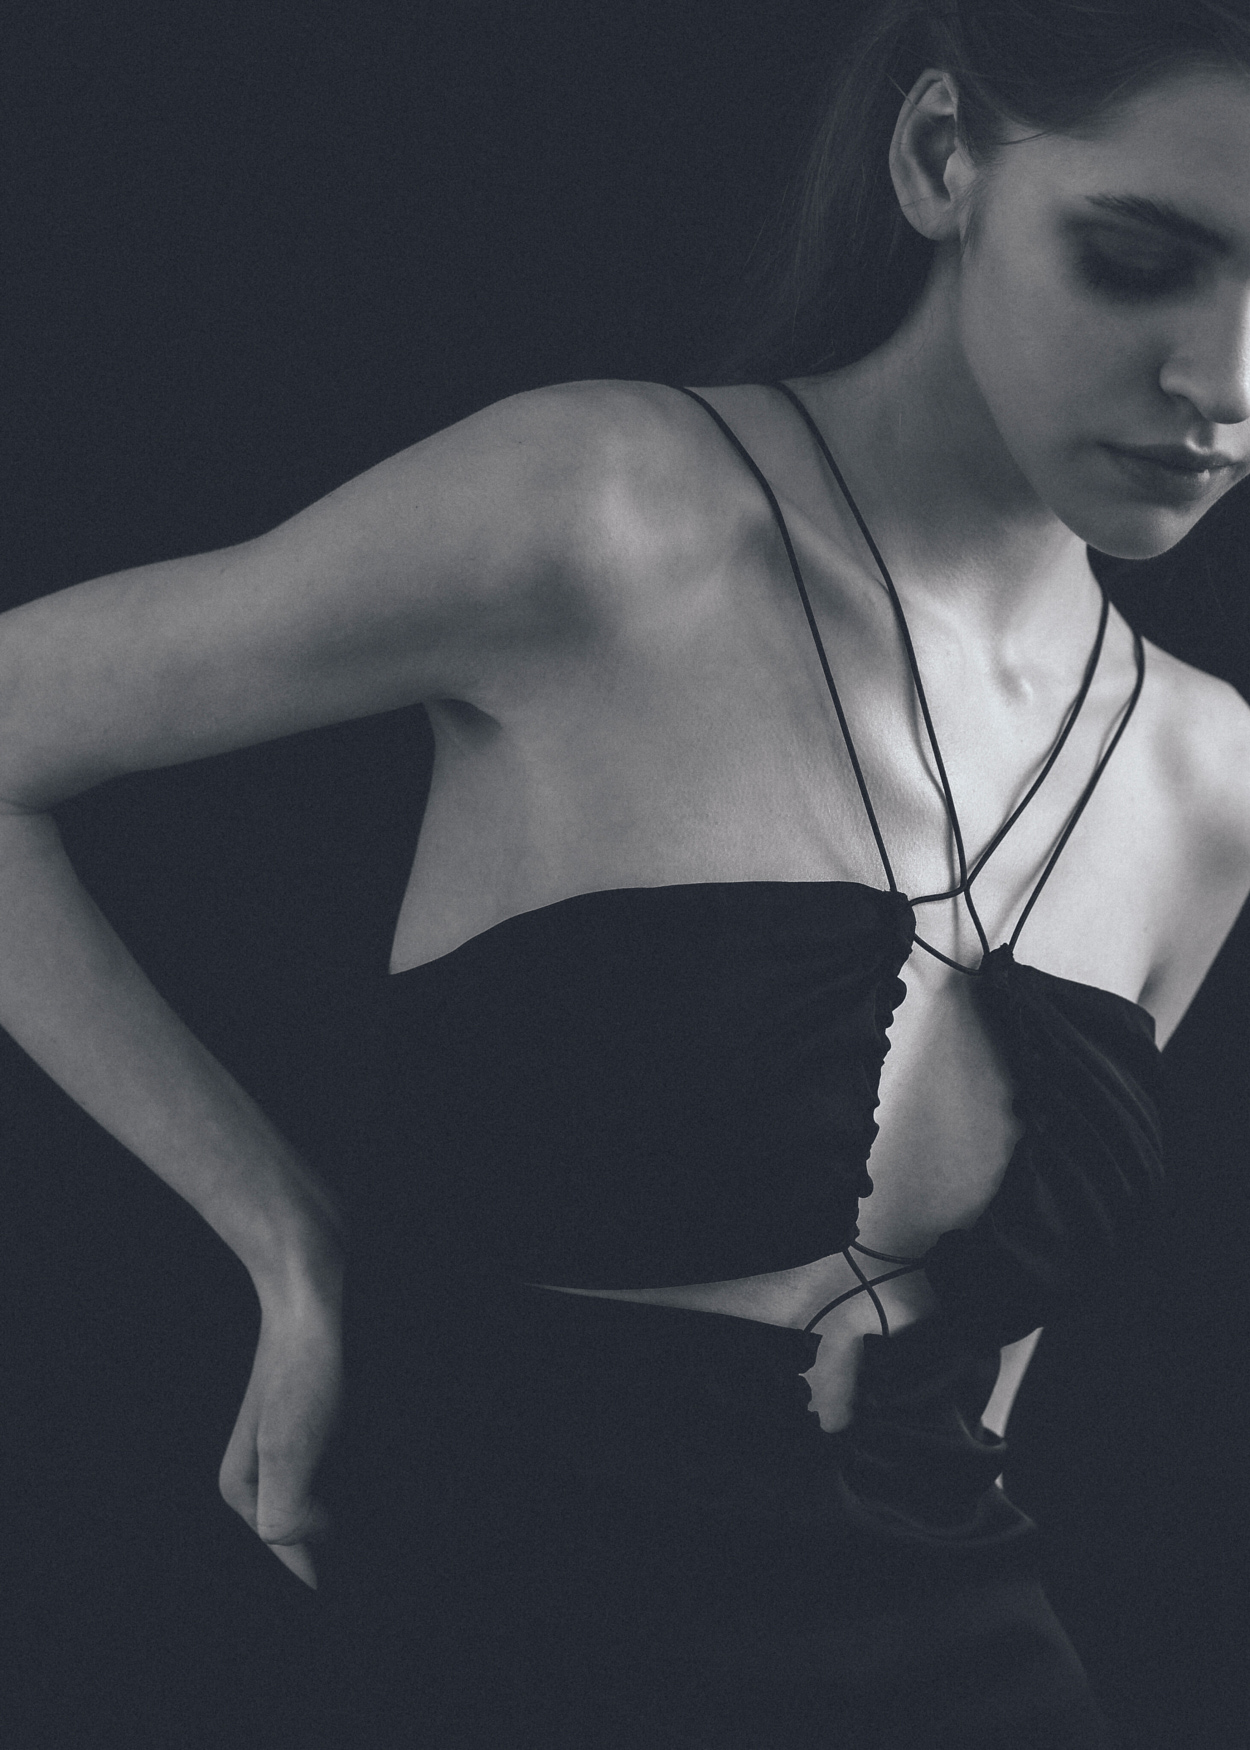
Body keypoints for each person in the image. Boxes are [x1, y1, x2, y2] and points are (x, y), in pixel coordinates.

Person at [4, 0, 1250, 1743]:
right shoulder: (601, 517)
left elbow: (979, 1389)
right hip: (493, 1642)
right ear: (936, 157)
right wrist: (285, 1237)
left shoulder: (1205, 775)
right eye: (1135, 260)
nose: (1223, 384)